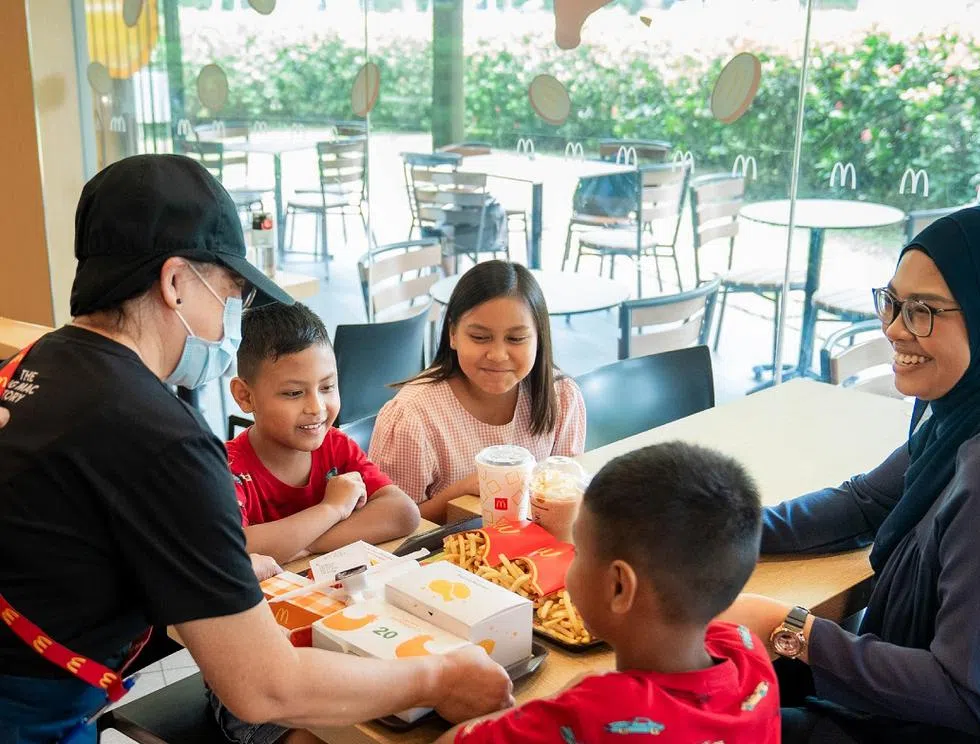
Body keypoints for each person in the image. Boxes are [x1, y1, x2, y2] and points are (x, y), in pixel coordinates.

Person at [0, 155, 511, 744]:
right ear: (175, 283)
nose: (231, 318)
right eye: (229, 293)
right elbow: (263, 686)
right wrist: (437, 677)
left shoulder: (34, 363)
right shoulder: (162, 437)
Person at [736, 205, 980, 743]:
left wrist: (789, 629)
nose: (895, 329)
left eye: (923, 310)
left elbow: (971, 697)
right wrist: (712, 533)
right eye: (894, 303)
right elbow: (864, 502)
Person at [434, 441, 780, 744]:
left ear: (618, 586)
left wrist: (562, 697)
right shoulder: (748, 653)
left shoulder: (596, 712)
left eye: (579, 552)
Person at [369, 261, 586, 522]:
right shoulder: (411, 416)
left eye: (516, 339)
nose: (497, 355)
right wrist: (460, 492)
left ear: (539, 338)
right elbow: (388, 524)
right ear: (452, 334)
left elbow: (567, 496)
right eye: (480, 337)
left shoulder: (561, 396)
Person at [228, 301, 420, 565]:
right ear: (245, 396)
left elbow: (403, 513)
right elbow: (234, 548)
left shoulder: (336, 446)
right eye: (294, 393)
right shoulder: (227, 469)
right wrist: (333, 509)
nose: (316, 407)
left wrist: (306, 543)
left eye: (327, 386)